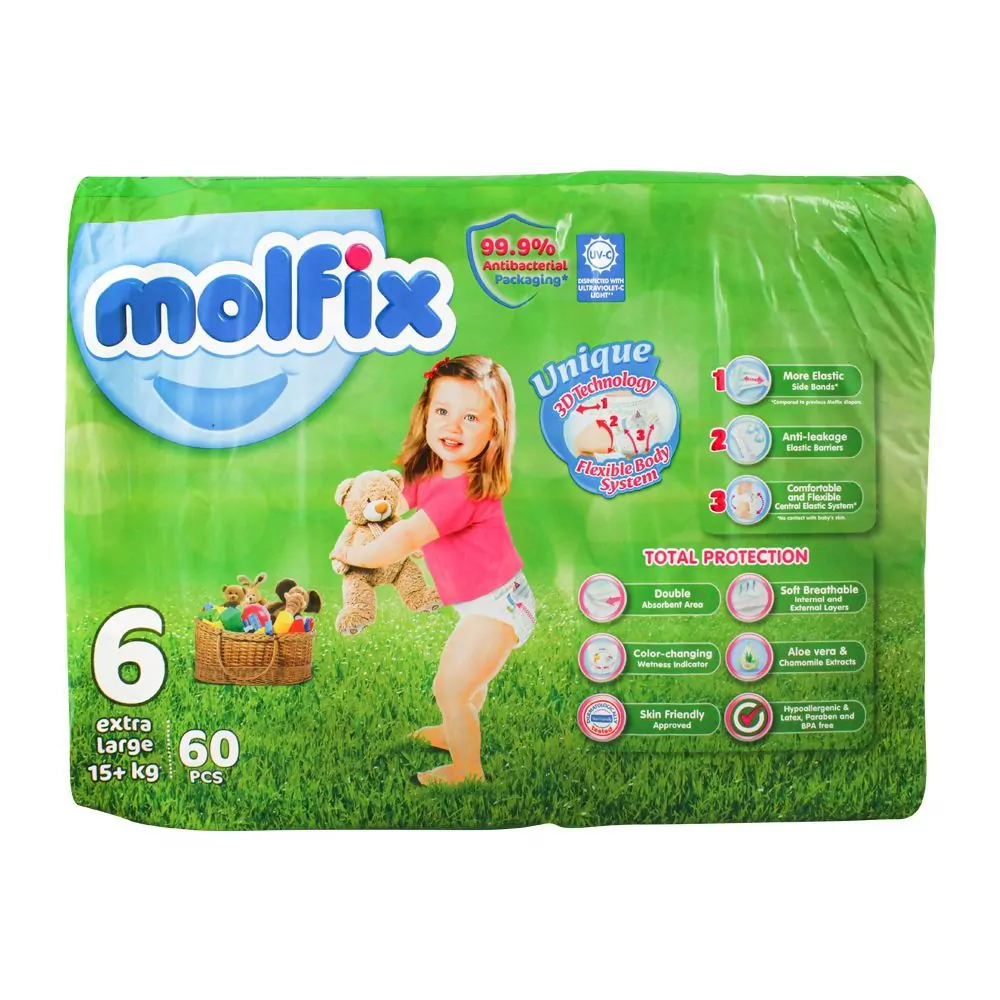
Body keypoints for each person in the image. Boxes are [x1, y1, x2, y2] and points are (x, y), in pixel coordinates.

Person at [331, 354, 535, 785]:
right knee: (467, 683)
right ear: (425, 413)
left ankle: (467, 771)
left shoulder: (465, 490)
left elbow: (404, 537)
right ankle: (455, 730)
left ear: (494, 430)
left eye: (470, 418)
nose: (452, 426)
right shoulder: (432, 472)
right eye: (442, 411)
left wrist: (354, 556)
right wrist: (367, 503)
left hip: (497, 607)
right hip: (487, 600)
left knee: (451, 686)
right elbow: (394, 502)